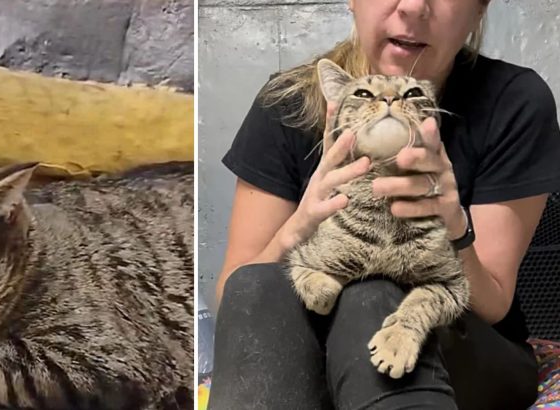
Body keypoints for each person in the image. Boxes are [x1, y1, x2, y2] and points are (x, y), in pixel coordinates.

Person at [207, 1, 560, 409]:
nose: (412, 5)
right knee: (259, 284)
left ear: (479, 10)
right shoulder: (287, 102)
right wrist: (298, 226)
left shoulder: (513, 100)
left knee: (368, 295)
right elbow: (237, 296)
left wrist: (454, 226)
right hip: (317, 350)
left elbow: (494, 303)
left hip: (467, 351)